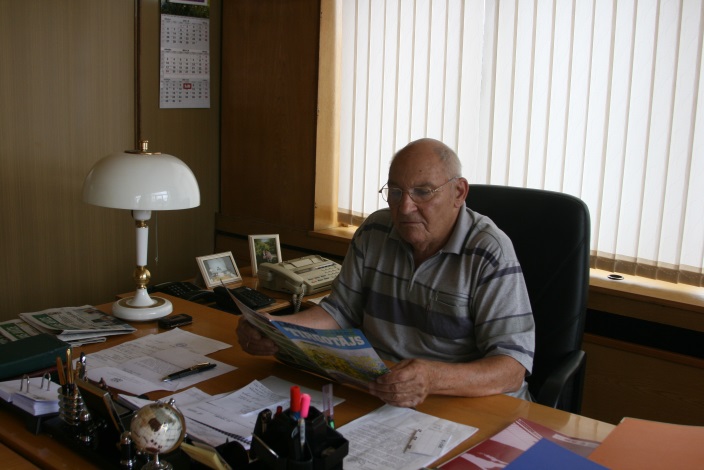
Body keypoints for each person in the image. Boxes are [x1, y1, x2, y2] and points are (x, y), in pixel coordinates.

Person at [237, 138, 535, 407]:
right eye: (395, 192)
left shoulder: (488, 250)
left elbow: (512, 368)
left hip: (461, 402)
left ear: (458, 192)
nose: (404, 208)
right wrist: (275, 328)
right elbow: (339, 312)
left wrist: (432, 378)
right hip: (381, 392)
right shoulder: (375, 231)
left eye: (422, 192)